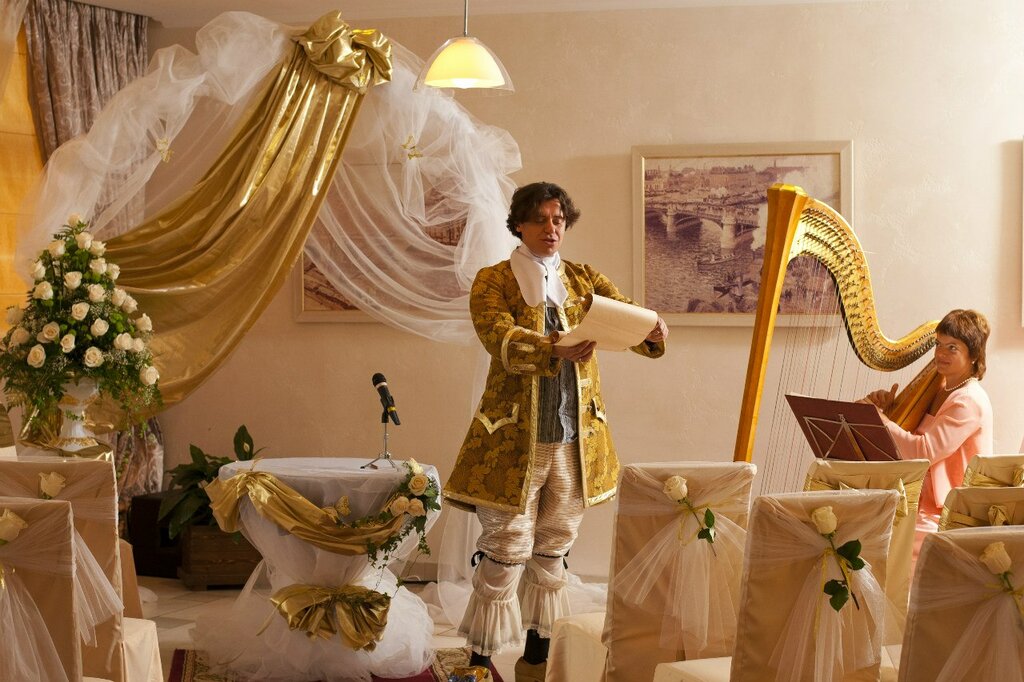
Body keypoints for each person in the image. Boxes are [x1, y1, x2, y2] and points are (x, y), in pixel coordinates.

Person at [443, 182, 667, 682]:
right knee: (505, 550)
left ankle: (536, 661)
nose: (551, 229)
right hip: (512, 441)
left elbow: (626, 316)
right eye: (541, 219)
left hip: (574, 440)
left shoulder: (584, 278)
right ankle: (478, 665)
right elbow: (496, 334)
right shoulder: (493, 279)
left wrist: (651, 328)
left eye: (559, 220)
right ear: (519, 224)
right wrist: (550, 348)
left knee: (553, 548)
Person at [862, 308, 992, 556]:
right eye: (938, 344)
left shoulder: (968, 400)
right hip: (917, 501)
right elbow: (910, 436)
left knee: (872, 545)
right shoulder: (940, 388)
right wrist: (888, 410)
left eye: (952, 348)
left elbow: (923, 452)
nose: (941, 353)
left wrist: (882, 421)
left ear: (974, 354)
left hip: (946, 513)